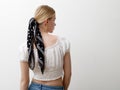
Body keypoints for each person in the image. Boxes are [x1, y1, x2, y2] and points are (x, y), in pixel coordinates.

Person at [19, 5, 72, 90]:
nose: (55, 23)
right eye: (54, 20)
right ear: (46, 21)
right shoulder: (62, 44)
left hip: (34, 87)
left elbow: (24, 81)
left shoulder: (25, 47)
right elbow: (68, 74)